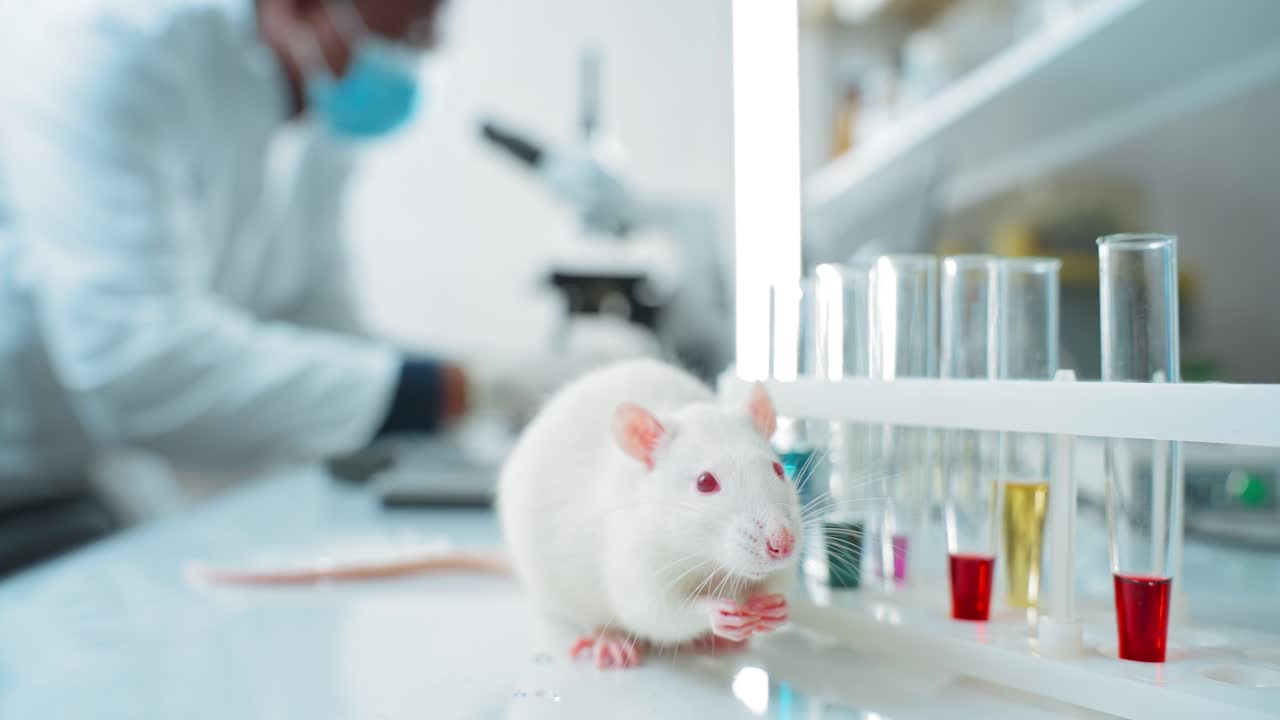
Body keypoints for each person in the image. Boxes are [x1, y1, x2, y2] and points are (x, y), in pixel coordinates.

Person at [0, 0, 646, 574]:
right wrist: (468, 386)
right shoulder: (114, 53)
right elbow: (140, 364)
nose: (433, 42)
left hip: (83, 469)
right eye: (415, 18)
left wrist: (492, 397)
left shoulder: (317, 108)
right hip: (21, 467)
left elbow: (323, 328)